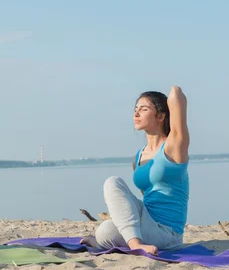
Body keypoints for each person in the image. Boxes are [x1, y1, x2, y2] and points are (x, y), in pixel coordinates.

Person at [81, 86, 189, 255]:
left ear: (161, 116)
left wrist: (172, 91)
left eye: (144, 109)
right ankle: (132, 241)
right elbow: (145, 197)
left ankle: (135, 244)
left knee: (113, 182)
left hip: (169, 233)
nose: (136, 114)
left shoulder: (174, 147)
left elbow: (176, 94)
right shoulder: (139, 156)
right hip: (148, 224)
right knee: (105, 230)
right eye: (135, 109)